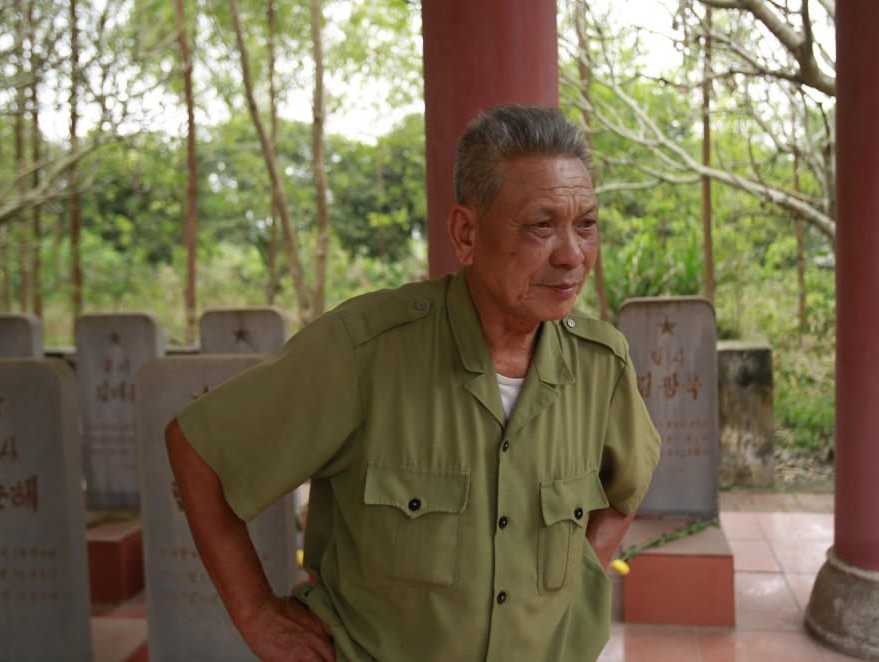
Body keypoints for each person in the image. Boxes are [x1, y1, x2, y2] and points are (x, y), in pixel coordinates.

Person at [165, 104, 661, 662]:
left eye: (586, 224)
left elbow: (626, 489)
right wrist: (256, 615)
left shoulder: (600, 363)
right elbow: (200, 451)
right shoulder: (364, 352)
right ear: (466, 233)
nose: (572, 255)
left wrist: (575, 591)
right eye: (541, 225)